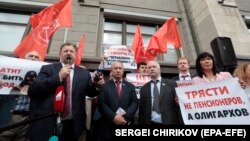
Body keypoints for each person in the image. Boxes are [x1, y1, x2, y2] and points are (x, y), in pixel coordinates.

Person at [27, 42, 104, 141]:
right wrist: (58, 77)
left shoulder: (84, 73)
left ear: (75, 55)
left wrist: (96, 85)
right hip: (48, 122)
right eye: (65, 51)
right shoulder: (48, 68)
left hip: (73, 124)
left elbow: (90, 93)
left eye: (71, 51)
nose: (68, 53)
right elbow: (33, 90)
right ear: (60, 54)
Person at [0, 50, 41, 141]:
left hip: (28, 120)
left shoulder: (43, 77)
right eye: (31, 56)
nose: (33, 58)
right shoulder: (13, 78)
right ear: (24, 59)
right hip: (9, 118)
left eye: (36, 57)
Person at [97, 61, 138, 141]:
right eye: (115, 68)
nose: (118, 70)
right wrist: (114, 116)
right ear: (111, 71)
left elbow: (135, 103)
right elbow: (101, 104)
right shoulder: (105, 86)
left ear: (123, 70)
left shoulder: (131, 86)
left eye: (120, 68)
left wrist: (125, 115)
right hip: (108, 127)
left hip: (125, 123)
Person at [139, 61, 179, 125]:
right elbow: (142, 109)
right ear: (147, 71)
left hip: (169, 122)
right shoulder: (144, 88)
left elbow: (178, 104)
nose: (152, 69)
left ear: (159, 69)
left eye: (154, 67)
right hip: (151, 122)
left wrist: (178, 102)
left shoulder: (171, 84)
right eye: (149, 67)